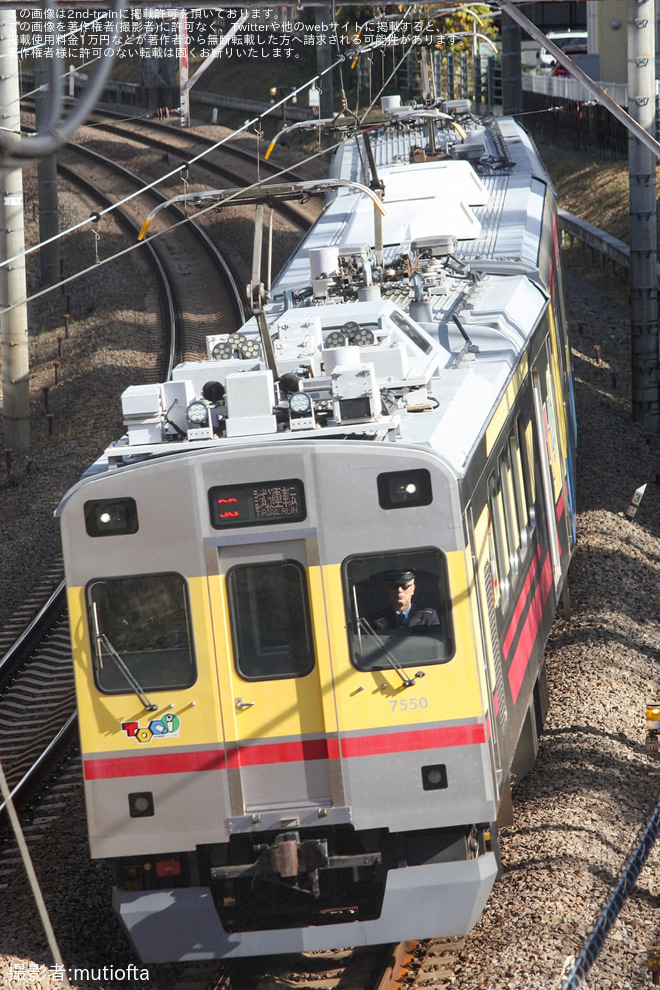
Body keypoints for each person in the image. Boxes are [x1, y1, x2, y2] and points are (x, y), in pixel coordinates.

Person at [368, 570, 440, 632]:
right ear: (388, 590)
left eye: (404, 586)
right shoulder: (376, 620)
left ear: (413, 589)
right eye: (394, 587)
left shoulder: (428, 617)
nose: (399, 590)